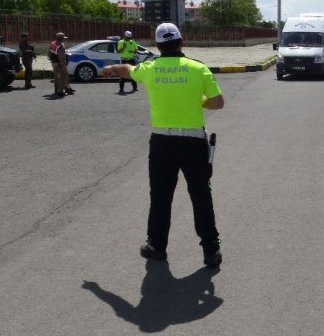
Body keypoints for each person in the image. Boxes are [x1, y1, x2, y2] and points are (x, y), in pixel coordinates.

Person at [101, 22, 225, 269]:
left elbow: (127, 69)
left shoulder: (149, 68)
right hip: (193, 143)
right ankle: (211, 250)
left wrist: (111, 68)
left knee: (160, 197)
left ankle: (157, 246)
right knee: (201, 196)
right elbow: (218, 103)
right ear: (182, 42)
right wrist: (198, 102)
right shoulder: (198, 68)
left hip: (162, 144)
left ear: (157, 45)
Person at [48, 32, 75, 97]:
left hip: (54, 62)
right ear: (61, 38)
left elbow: (49, 53)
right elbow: (62, 58)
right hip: (59, 63)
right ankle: (60, 91)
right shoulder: (60, 46)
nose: (64, 39)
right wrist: (63, 66)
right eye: (63, 38)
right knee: (62, 76)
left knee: (57, 77)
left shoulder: (53, 43)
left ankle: (65, 88)